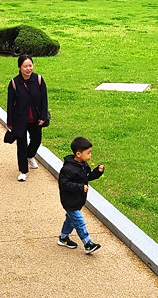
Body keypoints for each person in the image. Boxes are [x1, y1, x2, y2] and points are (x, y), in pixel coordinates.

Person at [57, 136, 104, 254]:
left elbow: (87, 177)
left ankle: (63, 238)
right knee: (79, 221)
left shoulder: (84, 165)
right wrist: (80, 187)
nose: (90, 156)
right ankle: (88, 243)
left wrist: (97, 172)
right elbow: (64, 184)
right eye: (88, 153)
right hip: (69, 200)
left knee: (71, 220)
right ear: (78, 154)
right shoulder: (68, 168)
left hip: (78, 199)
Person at [6, 54, 49, 182]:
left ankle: (30, 156)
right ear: (20, 67)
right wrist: (10, 122)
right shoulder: (14, 83)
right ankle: (23, 171)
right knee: (21, 145)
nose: (28, 69)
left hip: (35, 118)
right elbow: (10, 104)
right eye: (25, 66)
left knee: (36, 140)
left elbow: (44, 100)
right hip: (20, 119)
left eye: (30, 65)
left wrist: (42, 116)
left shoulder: (39, 80)